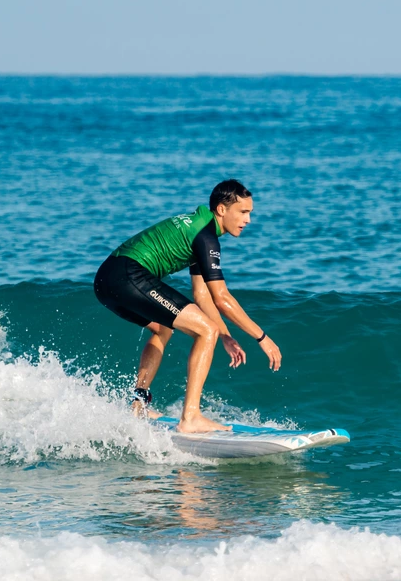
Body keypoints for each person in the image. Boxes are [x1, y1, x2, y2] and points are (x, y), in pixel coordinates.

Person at [93, 179, 282, 433]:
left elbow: (202, 295)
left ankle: (138, 405)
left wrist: (225, 335)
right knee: (206, 331)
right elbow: (222, 298)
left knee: (163, 329)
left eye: (250, 213)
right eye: (244, 212)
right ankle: (190, 417)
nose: (248, 220)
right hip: (128, 275)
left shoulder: (199, 227)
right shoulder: (206, 237)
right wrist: (262, 337)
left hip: (106, 279)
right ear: (222, 210)